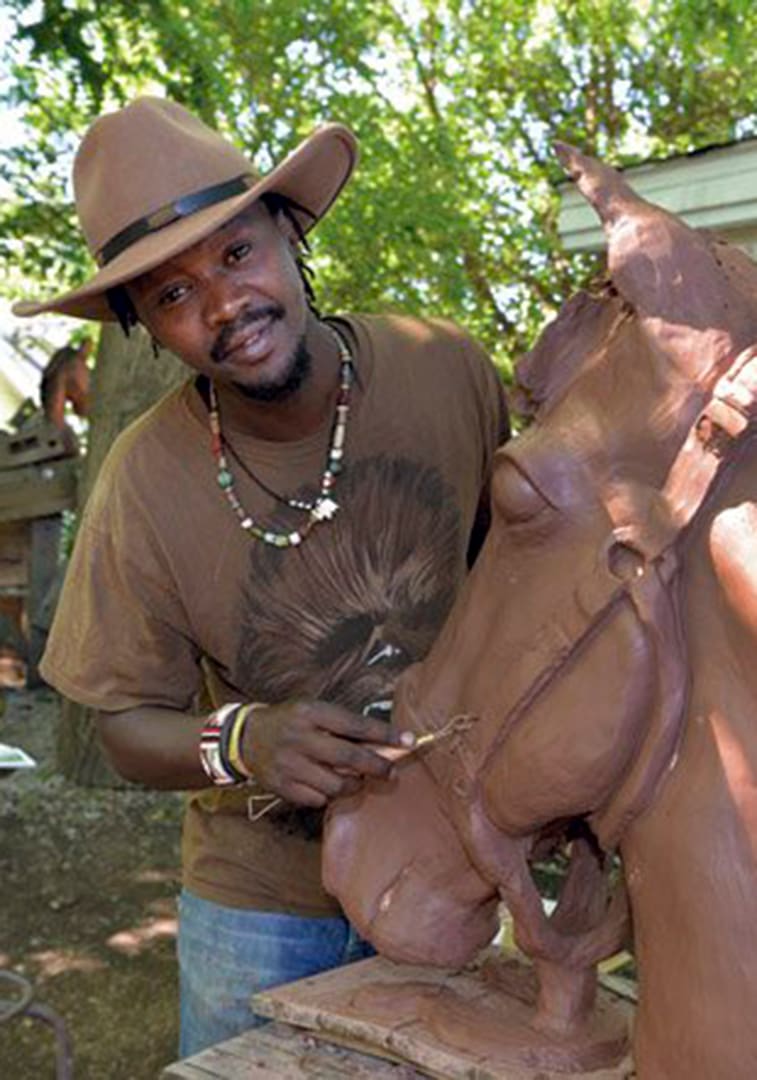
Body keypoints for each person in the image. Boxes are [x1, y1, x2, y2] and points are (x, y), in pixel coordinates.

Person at [14, 97, 510, 1057]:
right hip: (258, 907)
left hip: (454, 857)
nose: (222, 307)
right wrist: (242, 741)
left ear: (289, 231)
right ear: (145, 330)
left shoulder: (444, 370)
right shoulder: (143, 487)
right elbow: (118, 730)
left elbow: (519, 583)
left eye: (236, 254)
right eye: (170, 295)